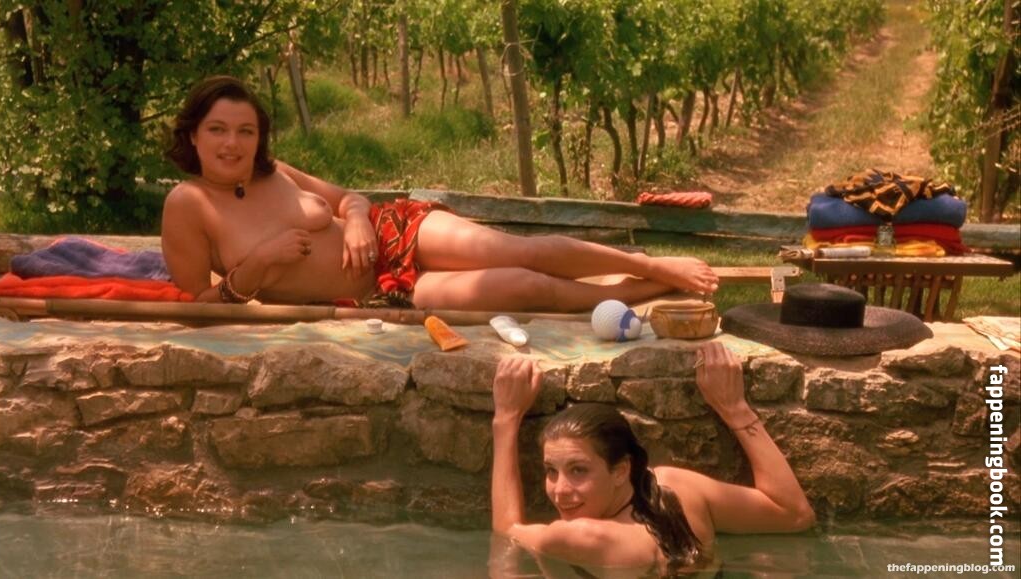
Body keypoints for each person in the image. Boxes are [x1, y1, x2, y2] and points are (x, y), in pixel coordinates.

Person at [161, 76, 719, 311]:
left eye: (246, 131)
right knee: (524, 287)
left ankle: (650, 265)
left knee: (520, 251)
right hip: (378, 293)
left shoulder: (273, 170)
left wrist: (356, 221)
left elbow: (349, 199)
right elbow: (197, 308)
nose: (233, 143)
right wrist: (259, 264)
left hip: (393, 233)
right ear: (193, 135)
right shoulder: (189, 204)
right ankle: (644, 292)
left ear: (259, 136)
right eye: (218, 130)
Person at [491, 342, 815, 576]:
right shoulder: (680, 489)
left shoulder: (579, 537)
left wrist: (505, 419)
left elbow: (507, 530)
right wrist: (734, 408)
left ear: (621, 470)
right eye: (551, 471)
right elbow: (795, 515)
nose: (560, 490)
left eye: (578, 470)